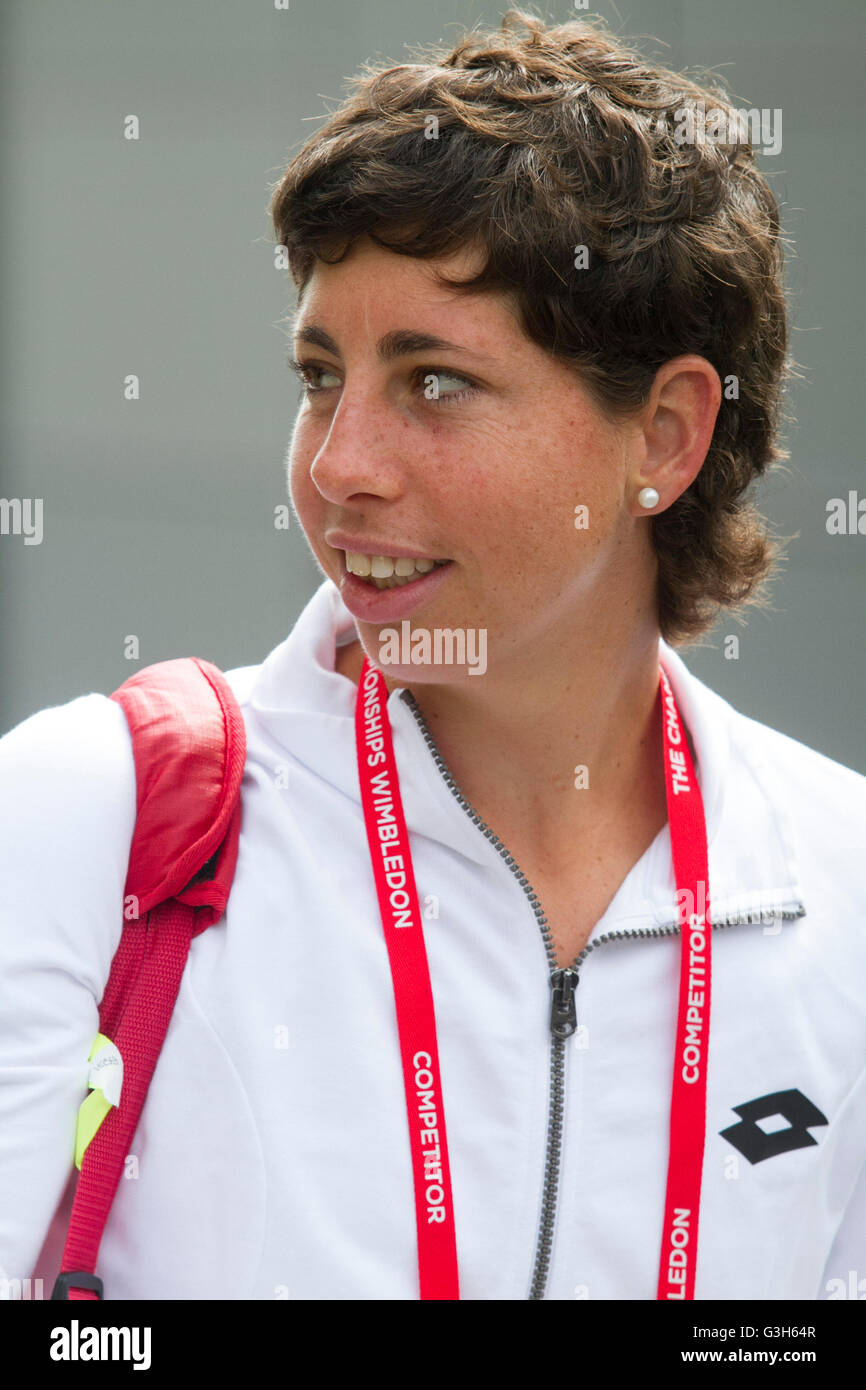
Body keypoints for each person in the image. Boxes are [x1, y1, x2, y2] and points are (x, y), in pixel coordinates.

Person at [1, 8, 864, 1302]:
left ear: (667, 434)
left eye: (433, 382)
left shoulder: (838, 888)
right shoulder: (94, 817)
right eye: (317, 375)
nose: (338, 464)